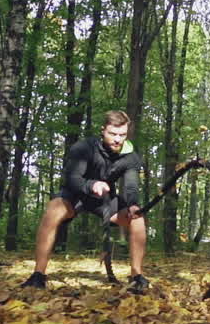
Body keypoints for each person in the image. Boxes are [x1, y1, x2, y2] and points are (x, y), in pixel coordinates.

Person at [21, 110, 150, 292]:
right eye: (112, 134)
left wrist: (133, 204)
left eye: (122, 135)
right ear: (102, 130)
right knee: (53, 210)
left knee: (137, 217)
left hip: (103, 200)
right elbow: (72, 177)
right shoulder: (84, 147)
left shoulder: (130, 156)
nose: (117, 139)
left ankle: (136, 277)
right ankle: (38, 275)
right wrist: (91, 185)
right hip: (76, 194)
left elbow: (130, 186)